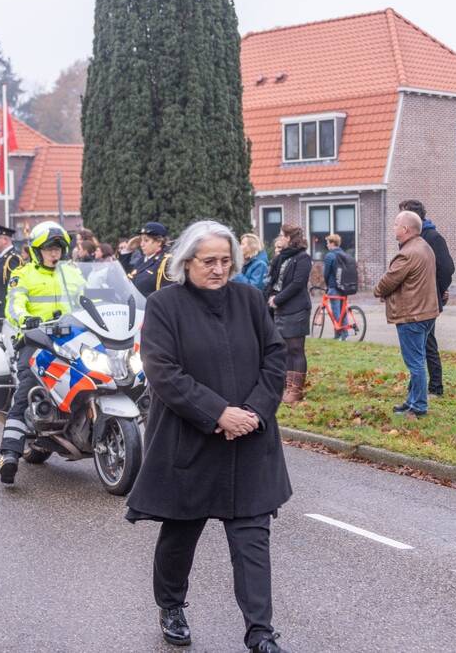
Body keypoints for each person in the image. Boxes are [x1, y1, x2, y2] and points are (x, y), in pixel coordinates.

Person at [125, 220, 291, 653]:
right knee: (180, 535)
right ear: (187, 262)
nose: (219, 269)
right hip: (191, 442)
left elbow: (275, 357)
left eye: (226, 261)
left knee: (252, 539)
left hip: (249, 441)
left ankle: (260, 631)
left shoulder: (250, 300)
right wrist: (218, 413)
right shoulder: (164, 305)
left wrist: (253, 412)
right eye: (209, 261)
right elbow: (162, 371)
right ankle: (171, 605)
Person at [0, 221, 84, 484]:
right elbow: (13, 305)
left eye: (57, 248)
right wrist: (26, 319)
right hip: (36, 339)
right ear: (37, 251)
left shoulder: (72, 273)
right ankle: (9, 454)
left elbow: (90, 300)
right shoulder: (23, 274)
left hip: (72, 338)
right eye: (48, 248)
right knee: (27, 387)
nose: (54, 253)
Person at [373, 211, 439, 419]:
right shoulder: (425, 247)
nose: (393, 227)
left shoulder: (407, 253)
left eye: (396, 224)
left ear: (406, 229)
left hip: (412, 315)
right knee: (418, 359)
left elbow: (389, 280)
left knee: (415, 363)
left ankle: (418, 406)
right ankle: (412, 401)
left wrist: (378, 292)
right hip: (427, 312)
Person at [399, 200, 454, 395]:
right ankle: (418, 387)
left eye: (401, 216)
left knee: (427, 343)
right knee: (420, 344)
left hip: (426, 301)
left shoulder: (433, 237)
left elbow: (447, 268)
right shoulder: (409, 240)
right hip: (414, 300)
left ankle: (434, 387)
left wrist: (437, 290)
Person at [264, 224, 311, 403]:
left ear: (289, 238)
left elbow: (297, 284)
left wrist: (277, 299)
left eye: (281, 235)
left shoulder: (303, 258)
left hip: (296, 308)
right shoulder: (282, 257)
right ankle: (286, 386)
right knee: (284, 349)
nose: (279, 238)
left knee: (296, 349)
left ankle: (295, 391)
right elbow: (276, 281)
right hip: (281, 309)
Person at [321, 234, 359, 340]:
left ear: (332, 243)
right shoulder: (344, 254)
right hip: (344, 287)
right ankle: (342, 335)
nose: (327, 245)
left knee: (336, 312)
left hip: (334, 287)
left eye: (328, 243)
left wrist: (328, 285)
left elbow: (326, 273)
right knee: (343, 312)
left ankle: (341, 334)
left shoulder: (330, 256)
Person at [128, 222, 175, 297]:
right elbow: (126, 274)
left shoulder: (166, 262)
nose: (141, 244)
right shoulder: (142, 259)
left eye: (146, 240)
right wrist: (128, 251)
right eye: (141, 240)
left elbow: (167, 295)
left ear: (159, 242)